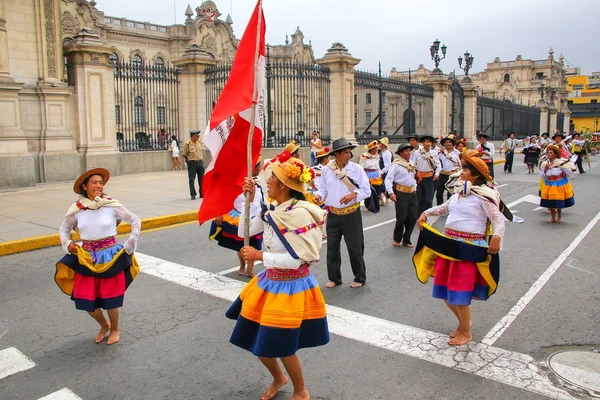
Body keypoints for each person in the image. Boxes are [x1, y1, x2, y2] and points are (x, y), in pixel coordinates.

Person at [225, 157, 329, 400]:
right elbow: (243, 232)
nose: (268, 181)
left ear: (284, 185)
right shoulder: (272, 212)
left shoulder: (300, 215)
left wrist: (259, 254)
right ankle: (278, 378)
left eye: (272, 178)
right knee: (255, 337)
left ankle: (301, 391)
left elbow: (295, 261)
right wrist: (247, 202)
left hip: (291, 287)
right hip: (269, 283)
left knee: (281, 343)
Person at [414, 150, 505, 346]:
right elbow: (444, 208)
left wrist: (497, 237)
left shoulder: (483, 197)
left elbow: (498, 219)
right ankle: (464, 324)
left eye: (465, 169)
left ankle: (466, 331)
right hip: (449, 247)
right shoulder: (458, 194)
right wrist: (426, 213)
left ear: (476, 175)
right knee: (446, 293)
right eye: (462, 168)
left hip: (468, 249)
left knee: (459, 294)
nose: (461, 172)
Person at [55, 168, 141, 345]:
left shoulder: (110, 205)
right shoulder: (77, 210)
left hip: (109, 255)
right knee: (86, 300)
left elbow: (134, 219)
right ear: (85, 186)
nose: (98, 186)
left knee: (110, 299)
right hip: (86, 257)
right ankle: (104, 325)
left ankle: (115, 329)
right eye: (94, 182)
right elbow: (64, 229)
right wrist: (67, 243)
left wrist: (132, 240)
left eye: (100, 183)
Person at [313, 138, 370, 289]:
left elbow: (366, 190)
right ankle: (334, 278)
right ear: (336, 154)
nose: (349, 155)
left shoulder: (356, 169)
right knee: (332, 248)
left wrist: (354, 195)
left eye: (349, 152)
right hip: (333, 215)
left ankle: (359, 277)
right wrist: (318, 195)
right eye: (345, 152)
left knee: (355, 247)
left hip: (351, 214)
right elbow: (323, 189)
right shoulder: (327, 170)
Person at [209, 157, 265, 278]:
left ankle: (250, 270)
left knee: (254, 245)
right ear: (252, 168)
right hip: (240, 217)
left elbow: (261, 200)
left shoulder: (258, 184)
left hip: (256, 218)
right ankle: (242, 265)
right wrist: (219, 213)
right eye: (259, 166)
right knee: (241, 246)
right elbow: (223, 197)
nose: (261, 168)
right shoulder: (237, 183)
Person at [385, 143, 418, 248]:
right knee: (402, 217)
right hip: (400, 193)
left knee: (412, 217)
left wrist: (415, 188)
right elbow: (389, 179)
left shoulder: (411, 164)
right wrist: (391, 192)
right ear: (401, 153)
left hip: (411, 193)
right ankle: (397, 238)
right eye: (406, 151)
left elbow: (413, 178)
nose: (409, 153)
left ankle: (407, 239)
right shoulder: (396, 165)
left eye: (409, 150)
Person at [539, 145, 576, 223]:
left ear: (555, 154)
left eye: (551, 153)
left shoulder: (560, 162)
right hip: (549, 183)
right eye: (548, 152)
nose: (549, 154)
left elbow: (569, 171)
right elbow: (542, 175)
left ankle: (559, 216)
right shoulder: (545, 163)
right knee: (550, 202)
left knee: (558, 201)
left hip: (558, 183)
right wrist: (546, 169)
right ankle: (553, 217)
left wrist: (564, 174)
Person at [413, 135, 441, 215]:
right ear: (423, 143)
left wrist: (437, 174)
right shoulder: (417, 153)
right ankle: (419, 215)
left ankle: (427, 215)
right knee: (419, 198)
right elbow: (414, 164)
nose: (428, 144)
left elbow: (438, 165)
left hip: (429, 178)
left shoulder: (433, 153)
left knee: (428, 199)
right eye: (427, 142)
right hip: (419, 177)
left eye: (430, 142)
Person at [359, 140, 383, 212]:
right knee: (369, 190)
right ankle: (368, 206)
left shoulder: (377, 156)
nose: (376, 150)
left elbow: (377, 166)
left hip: (375, 174)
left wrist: (380, 172)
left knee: (378, 189)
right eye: (375, 148)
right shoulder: (364, 156)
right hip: (367, 174)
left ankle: (376, 204)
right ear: (371, 149)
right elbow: (361, 166)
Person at [437, 135, 461, 205]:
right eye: (446, 142)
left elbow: (460, 164)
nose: (448, 144)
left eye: (449, 142)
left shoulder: (457, 153)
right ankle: (439, 206)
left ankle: (450, 206)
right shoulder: (441, 153)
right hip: (443, 174)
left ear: (452, 143)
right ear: (444, 144)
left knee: (450, 192)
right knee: (439, 191)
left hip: (453, 174)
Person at [182, 130, 205, 200]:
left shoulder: (199, 142)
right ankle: (193, 194)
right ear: (193, 136)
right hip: (192, 163)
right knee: (192, 179)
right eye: (197, 136)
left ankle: (202, 193)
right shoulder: (188, 144)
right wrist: (188, 160)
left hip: (200, 162)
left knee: (202, 179)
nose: (198, 137)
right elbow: (184, 154)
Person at [378, 137, 393, 206]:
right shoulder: (380, 152)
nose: (379, 144)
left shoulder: (387, 153)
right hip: (380, 170)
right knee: (378, 185)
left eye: (380, 143)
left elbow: (388, 165)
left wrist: (382, 172)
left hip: (384, 171)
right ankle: (381, 200)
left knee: (382, 186)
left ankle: (388, 196)